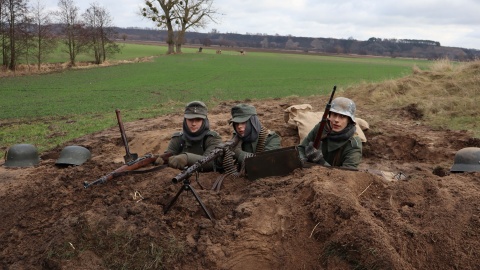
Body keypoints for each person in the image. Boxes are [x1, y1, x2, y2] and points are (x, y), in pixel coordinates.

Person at [155, 101, 222, 171]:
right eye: (190, 119)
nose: (193, 124)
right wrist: (161, 159)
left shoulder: (213, 139)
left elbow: (212, 162)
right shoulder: (178, 138)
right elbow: (169, 156)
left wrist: (186, 158)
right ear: (185, 120)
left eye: (198, 120)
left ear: (204, 121)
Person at [298, 97, 362, 169]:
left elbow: (347, 175)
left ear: (349, 120)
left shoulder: (353, 144)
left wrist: (321, 162)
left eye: (342, 116)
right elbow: (301, 148)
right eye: (334, 114)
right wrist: (303, 160)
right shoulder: (321, 128)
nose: (336, 120)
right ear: (329, 116)